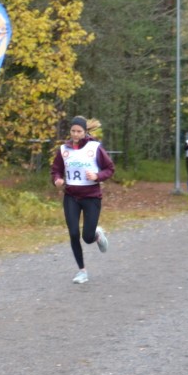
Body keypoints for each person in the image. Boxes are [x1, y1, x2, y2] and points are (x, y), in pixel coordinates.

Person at [51, 115, 115, 284]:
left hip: (91, 197)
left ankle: (96, 235)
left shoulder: (95, 147)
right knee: (73, 233)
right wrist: (57, 180)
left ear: (85, 132)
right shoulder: (63, 150)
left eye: (79, 131)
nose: (75, 134)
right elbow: (56, 170)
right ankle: (82, 271)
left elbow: (109, 168)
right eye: (73, 131)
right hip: (71, 196)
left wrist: (97, 176)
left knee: (87, 237)